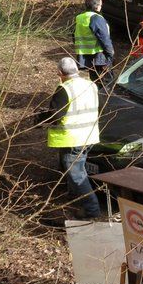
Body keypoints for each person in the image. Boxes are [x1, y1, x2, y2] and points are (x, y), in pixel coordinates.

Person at [41, 57, 101, 219]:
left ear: (59, 73)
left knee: (76, 173)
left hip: (73, 138)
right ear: (76, 70)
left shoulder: (64, 89)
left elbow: (55, 115)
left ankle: (92, 210)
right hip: (90, 135)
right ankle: (75, 198)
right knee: (75, 168)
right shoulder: (91, 84)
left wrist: (40, 119)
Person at [74, 0, 115, 84]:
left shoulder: (79, 18)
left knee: (95, 81)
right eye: (100, 5)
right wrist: (110, 52)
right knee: (107, 84)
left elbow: (74, 35)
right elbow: (104, 38)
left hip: (87, 57)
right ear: (96, 6)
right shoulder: (96, 18)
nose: (101, 7)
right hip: (100, 57)